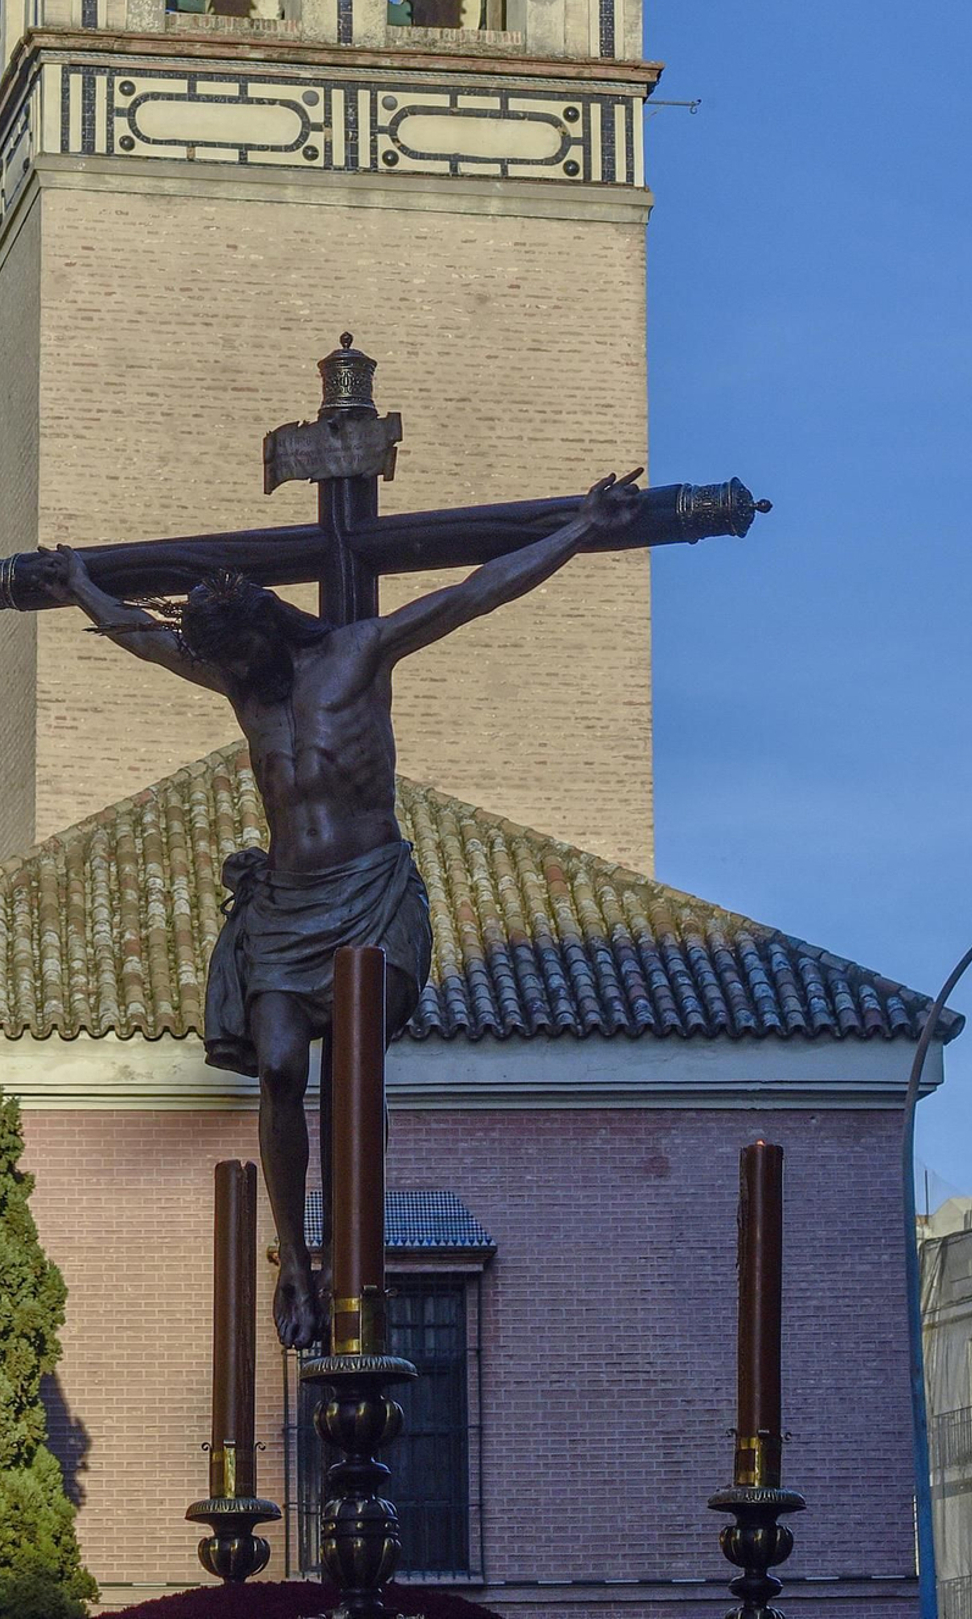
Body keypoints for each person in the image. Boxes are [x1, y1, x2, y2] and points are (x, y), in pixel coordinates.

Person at [44, 474, 642, 1347]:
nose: (239, 672)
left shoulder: (358, 653)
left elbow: (473, 592)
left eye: (245, 654)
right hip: (286, 908)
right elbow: (144, 638)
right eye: (226, 662)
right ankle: (296, 1256)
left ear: (271, 626)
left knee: (353, 1069)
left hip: (370, 896)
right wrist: (79, 585)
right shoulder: (243, 685)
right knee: (281, 1068)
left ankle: (353, 1248)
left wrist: (580, 528)